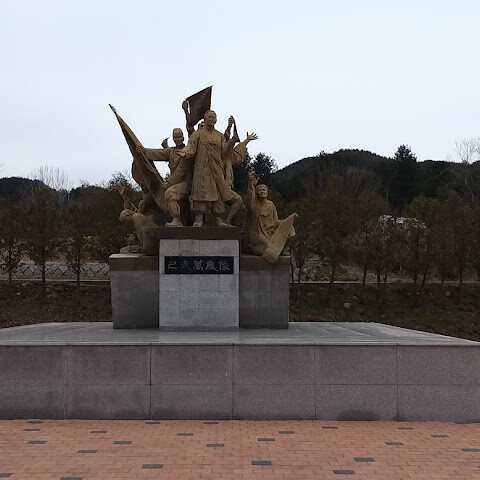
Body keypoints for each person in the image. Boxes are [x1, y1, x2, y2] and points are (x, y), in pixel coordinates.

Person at [180, 110, 243, 227]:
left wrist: (231, 142)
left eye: (213, 117)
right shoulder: (197, 134)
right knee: (200, 191)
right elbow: (191, 147)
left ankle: (218, 218)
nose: (211, 119)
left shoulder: (219, 136)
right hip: (202, 168)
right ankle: (198, 217)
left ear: (216, 120)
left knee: (217, 192)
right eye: (209, 117)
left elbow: (224, 153)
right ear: (205, 119)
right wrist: (185, 152)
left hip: (216, 170)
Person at [139, 128, 193, 227]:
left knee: (170, 193)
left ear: (183, 137)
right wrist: (143, 151)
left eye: (179, 137)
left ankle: (176, 220)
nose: (177, 139)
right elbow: (158, 153)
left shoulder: (187, 152)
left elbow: (181, 171)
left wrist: (169, 183)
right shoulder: (171, 151)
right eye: (175, 137)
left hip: (186, 184)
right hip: (175, 184)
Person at [244, 172, 297, 263]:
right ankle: (273, 249)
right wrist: (251, 184)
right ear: (256, 193)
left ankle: (283, 248)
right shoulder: (253, 204)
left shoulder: (270, 204)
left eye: (264, 190)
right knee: (267, 247)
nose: (262, 191)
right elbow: (249, 201)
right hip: (257, 234)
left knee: (290, 228)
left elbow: (275, 221)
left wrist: (287, 221)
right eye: (260, 190)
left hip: (269, 232)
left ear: (267, 193)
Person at [118, 185, 157, 252]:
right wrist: (124, 195)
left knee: (125, 250)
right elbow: (128, 205)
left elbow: (141, 235)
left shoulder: (136, 217)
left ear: (128, 215)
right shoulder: (135, 214)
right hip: (147, 242)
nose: (127, 224)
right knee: (123, 250)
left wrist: (139, 246)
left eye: (126, 222)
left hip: (151, 242)